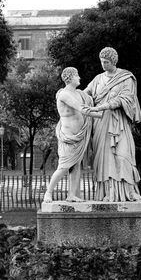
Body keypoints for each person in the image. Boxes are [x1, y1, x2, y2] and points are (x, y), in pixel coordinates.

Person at [82, 47, 141, 202]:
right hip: (100, 124)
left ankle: (129, 192)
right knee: (105, 159)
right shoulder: (98, 79)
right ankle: (109, 193)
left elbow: (126, 98)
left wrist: (102, 106)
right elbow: (85, 94)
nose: (103, 64)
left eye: (106, 62)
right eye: (102, 61)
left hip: (119, 122)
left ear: (114, 61)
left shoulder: (126, 78)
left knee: (124, 156)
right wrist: (67, 93)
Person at [43, 67, 93, 203]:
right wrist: (102, 111)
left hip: (79, 137)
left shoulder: (79, 93)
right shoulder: (64, 94)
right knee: (64, 167)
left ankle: (71, 195)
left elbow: (90, 94)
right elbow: (81, 108)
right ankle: (48, 192)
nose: (79, 78)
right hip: (69, 137)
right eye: (77, 75)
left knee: (76, 166)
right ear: (70, 77)